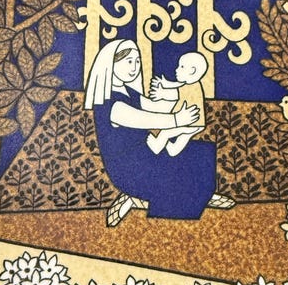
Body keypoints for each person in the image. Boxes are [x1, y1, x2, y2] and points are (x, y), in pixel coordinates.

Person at [84, 39, 235, 226]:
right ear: (111, 64)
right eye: (129, 61)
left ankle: (203, 195)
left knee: (199, 151)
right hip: (130, 167)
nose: (135, 67)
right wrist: (177, 120)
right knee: (173, 180)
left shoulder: (129, 92)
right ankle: (137, 200)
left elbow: (157, 107)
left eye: (137, 61)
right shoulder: (110, 104)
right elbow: (146, 119)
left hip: (148, 151)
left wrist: (176, 95)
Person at [147, 51, 207, 157]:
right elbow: (178, 85)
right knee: (182, 139)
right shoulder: (193, 84)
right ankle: (173, 149)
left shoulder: (191, 87)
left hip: (188, 122)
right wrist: (165, 83)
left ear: (192, 71)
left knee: (165, 132)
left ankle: (156, 146)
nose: (177, 69)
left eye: (182, 67)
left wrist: (161, 93)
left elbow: (174, 94)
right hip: (198, 124)